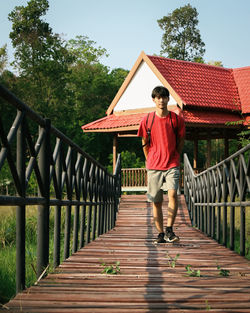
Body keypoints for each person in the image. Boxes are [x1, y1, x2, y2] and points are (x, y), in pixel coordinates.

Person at [137, 86, 185, 243]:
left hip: (172, 162)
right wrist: (149, 158)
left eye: (164, 97)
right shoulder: (147, 119)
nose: (161, 100)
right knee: (156, 201)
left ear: (168, 99)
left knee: (172, 194)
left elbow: (180, 140)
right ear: (153, 100)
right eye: (158, 97)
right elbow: (144, 142)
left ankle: (170, 230)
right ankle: (160, 234)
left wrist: (175, 155)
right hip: (154, 164)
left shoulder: (176, 119)